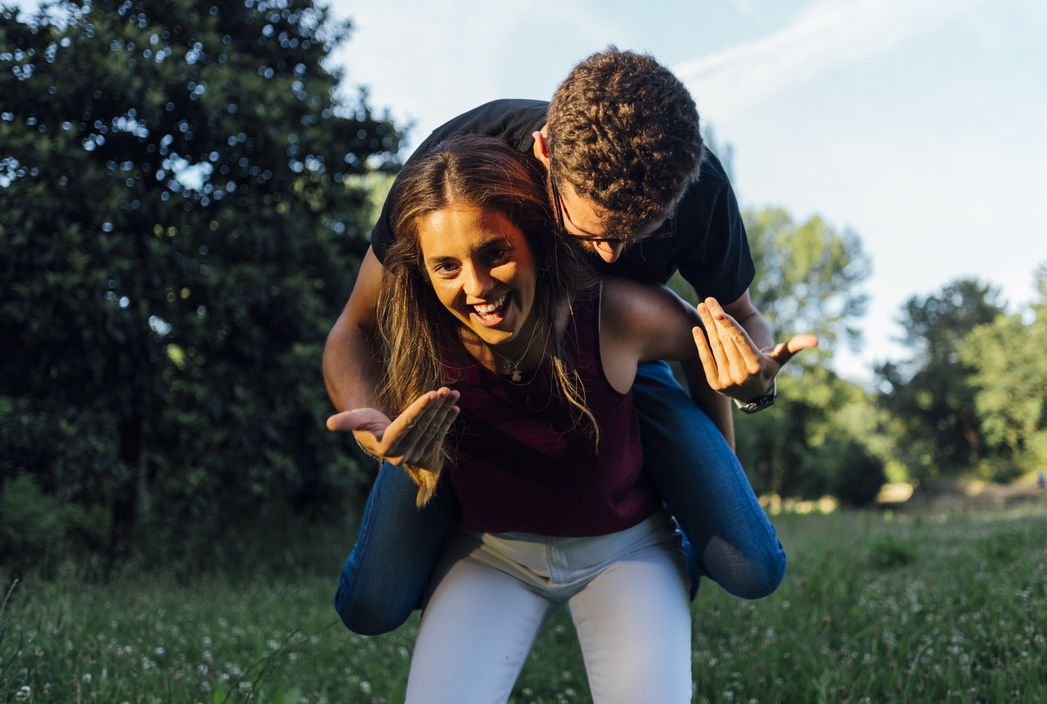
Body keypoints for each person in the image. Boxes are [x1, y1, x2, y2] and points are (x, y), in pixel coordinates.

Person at [327, 48, 806, 634]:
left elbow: (741, 320)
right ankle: (467, 538)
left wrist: (751, 386)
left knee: (754, 567)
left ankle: (653, 531)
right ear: (545, 153)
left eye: (639, 233)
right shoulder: (462, 160)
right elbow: (353, 327)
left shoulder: (699, 188)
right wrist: (379, 421)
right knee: (369, 607)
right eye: (592, 231)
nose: (611, 256)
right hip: (473, 383)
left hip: (621, 362)